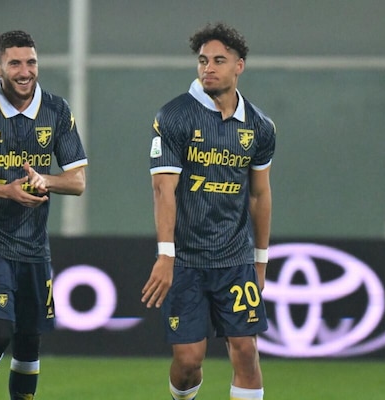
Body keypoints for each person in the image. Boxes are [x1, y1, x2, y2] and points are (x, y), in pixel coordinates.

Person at [0, 30, 87, 399]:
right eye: (15, 64)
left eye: (31, 62)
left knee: (29, 340)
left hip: (34, 245)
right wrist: (5, 191)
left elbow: (77, 182)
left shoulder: (57, 110)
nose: (25, 72)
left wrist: (46, 180)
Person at [141, 22, 275, 400]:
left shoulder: (260, 126)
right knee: (188, 361)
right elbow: (163, 188)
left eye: (219, 60)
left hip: (235, 259)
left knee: (246, 351)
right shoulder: (174, 116)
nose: (208, 68)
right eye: (203, 61)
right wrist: (166, 255)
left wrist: (260, 261)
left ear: (239, 66)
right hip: (186, 260)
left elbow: (259, 195)